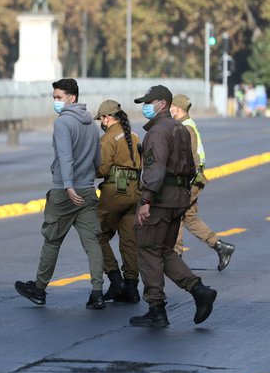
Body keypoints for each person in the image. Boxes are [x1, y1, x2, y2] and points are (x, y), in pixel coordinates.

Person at [130, 85, 217, 327]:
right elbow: (191, 166)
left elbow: (156, 170)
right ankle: (200, 291)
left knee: (148, 249)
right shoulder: (180, 129)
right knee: (165, 250)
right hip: (178, 196)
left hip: (159, 198)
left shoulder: (158, 132)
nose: (146, 107)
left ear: (163, 104)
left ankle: (156, 309)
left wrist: (146, 200)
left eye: (150, 102)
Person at [15, 78, 106, 310]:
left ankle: (39, 289)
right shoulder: (92, 125)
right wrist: (86, 181)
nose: (55, 101)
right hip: (87, 190)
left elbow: (65, 157)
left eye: (58, 97)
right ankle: (97, 293)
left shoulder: (63, 123)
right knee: (92, 242)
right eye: (54, 97)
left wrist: (68, 186)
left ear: (71, 98)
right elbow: (98, 161)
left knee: (52, 240)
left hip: (66, 191)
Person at [170, 94, 235, 270]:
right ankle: (221, 247)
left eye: (171, 106)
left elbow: (192, 158)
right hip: (196, 180)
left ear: (177, 108)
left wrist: (186, 182)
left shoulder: (185, 127)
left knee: (176, 215)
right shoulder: (187, 124)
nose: (170, 109)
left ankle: (176, 255)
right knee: (189, 217)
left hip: (190, 181)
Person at [94, 100, 142, 303]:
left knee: (96, 235)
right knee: (129, 241)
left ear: (107, 117)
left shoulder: (107, 139)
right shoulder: (133, 135)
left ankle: (115, 279)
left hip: (115, 191)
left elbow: (102, 170)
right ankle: (131, 287)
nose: (101, 123)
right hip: (134, 191)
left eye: (101, 119)